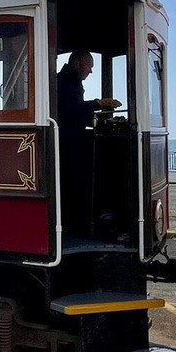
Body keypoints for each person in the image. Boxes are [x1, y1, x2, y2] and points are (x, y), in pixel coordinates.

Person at [56, 51, 120, 236]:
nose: (91, 71)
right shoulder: (64, 81)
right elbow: (71, 109)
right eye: (89, 65)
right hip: (67, 143)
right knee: (76, 184)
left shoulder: (70, 80)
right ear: (77, 63)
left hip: (71, 140)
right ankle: (77, 225)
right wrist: (98, 104)